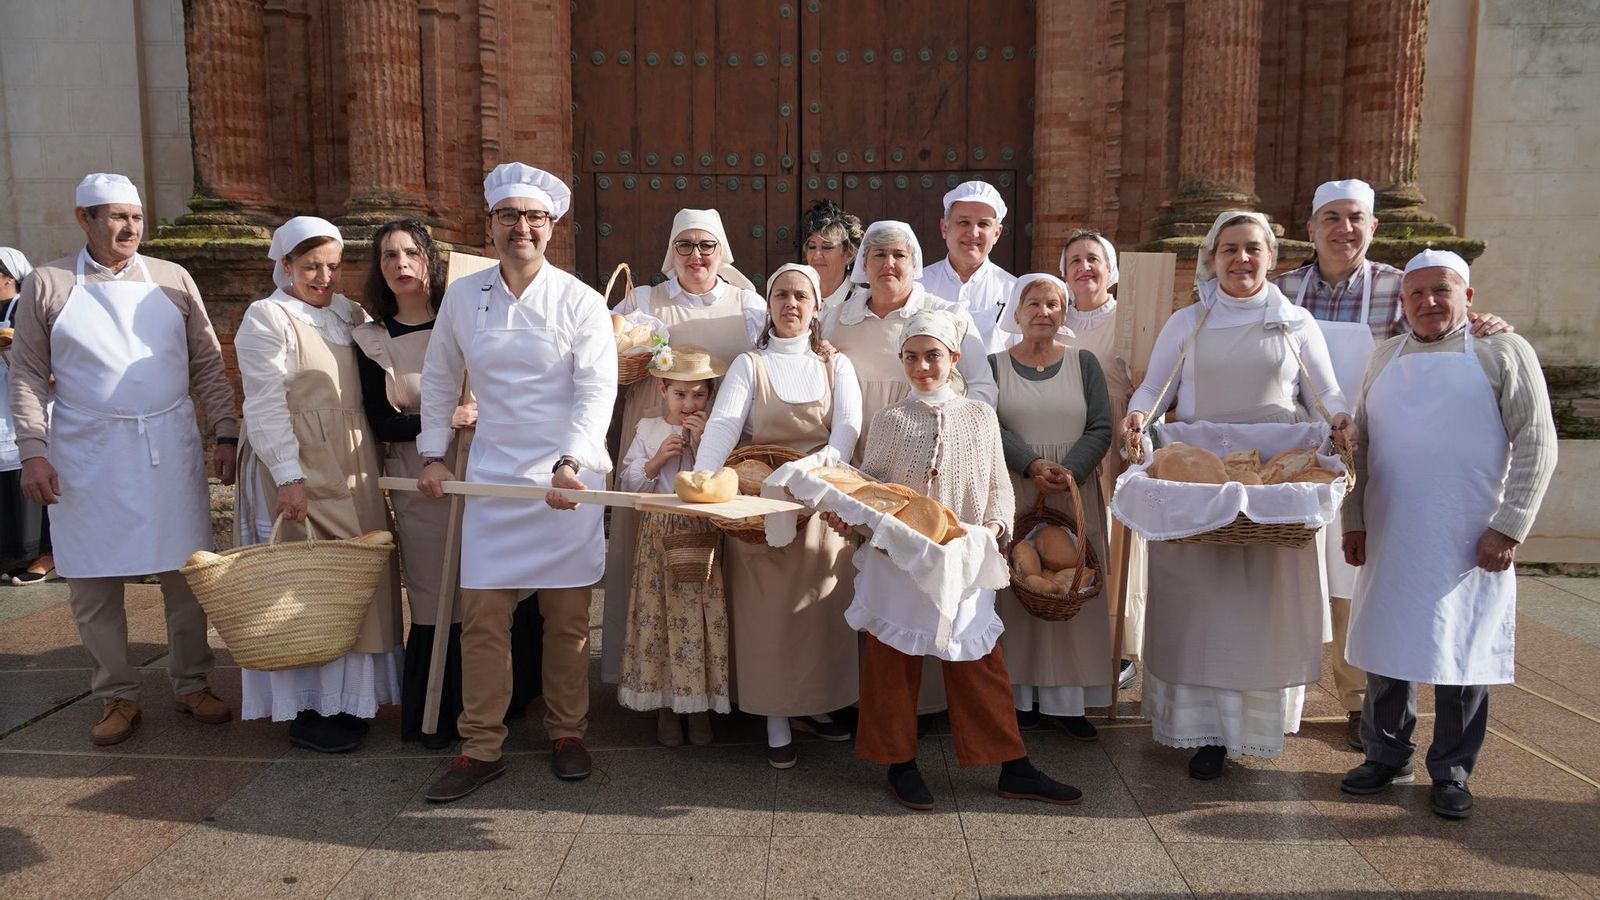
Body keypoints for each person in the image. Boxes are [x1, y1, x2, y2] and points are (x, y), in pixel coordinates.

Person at [1272, 180, 1512, 751]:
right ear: (1311, 228)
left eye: (1355, 217)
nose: (1343, 228)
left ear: (1373, 226)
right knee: (1291, 571)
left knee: (1359, 581)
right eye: (1330, 217)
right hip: (1297, 451)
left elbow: (1445, 335)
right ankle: (1282, 694)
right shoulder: (1282, 290)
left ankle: (1358, 702)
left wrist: (1489, 325)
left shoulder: (1399, 286)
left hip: (1377, 453)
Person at [1121, 210, 1353, 779]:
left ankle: (1256, 724)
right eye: (1229, 249)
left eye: (1253, 248)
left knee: (1255, 613)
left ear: (1271, 257)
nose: (1241, 259)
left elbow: (1325, 390)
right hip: (1199, 486)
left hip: (1272, 485)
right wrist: (1136, 416)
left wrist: (1342, 421)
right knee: (1202, 610)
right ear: (1212, 257)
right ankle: (1202, 732)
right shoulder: (1189, 321)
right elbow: (1156, 386)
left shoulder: (1295, 323)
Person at [8, 173, 236, 746]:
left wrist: (226, 432)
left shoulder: (173, 278)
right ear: (84, 219)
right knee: (91, 578)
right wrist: (34, 451)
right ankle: (116, 694)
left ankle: (191, 682)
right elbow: (29, 373)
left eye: (135, 217)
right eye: (114, 216)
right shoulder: (48, 283)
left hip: (168, 445)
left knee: (185, 574)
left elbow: (207, 361)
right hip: (86, 449)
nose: (129, 227)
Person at [418, 162, 617, 801]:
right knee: (482, 617)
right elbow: (442, 376)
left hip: (565, 479)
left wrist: (574, 461)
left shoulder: (581, 300)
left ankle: (567, 731)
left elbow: (595, 390)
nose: (521, 228)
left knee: (567, 619)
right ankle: (481, 745)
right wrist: (433, 454)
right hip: (495, 478)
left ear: (551, 227)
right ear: (493, 225)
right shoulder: (464, 296)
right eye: (509, 217)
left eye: (533, 217)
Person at [829, 308, 1081, 809]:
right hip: (899, 558)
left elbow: (997, 488)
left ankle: (1014, 766)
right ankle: (899, 764)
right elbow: (872, 488)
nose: (923, 367)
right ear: (901, 360)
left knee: (977, 661)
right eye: (912, 357)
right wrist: (849, 514)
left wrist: (992, 529)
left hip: (963, 556)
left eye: (933, 356)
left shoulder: (980, 416)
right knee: (892, 661)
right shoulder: (890, 421)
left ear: (955, 358)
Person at [1339, 250, 1556, 820]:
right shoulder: (1384, 356)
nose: (1429, 303)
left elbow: (1538, 442)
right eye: (1417, 294)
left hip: (1467, 532)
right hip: (1390, 527)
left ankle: (1453, 770)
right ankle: (1386, 754)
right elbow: (1361, 445)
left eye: (1442, 291)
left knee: (1461, 649)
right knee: (1389, 643)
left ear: (1468, 296)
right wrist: (1354, 519)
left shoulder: (1504, 352)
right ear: (1403, 301)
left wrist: (1508, 527)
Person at [233, 216, 403, 752]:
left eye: (332, 266)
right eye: (311, 267)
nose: (324, 277)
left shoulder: (350, 313)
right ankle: (309, 704)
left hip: (354, 461)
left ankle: (352, 702)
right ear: (285, 265)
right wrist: (288, 476)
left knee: (356, 577)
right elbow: (263, 403)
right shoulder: (268, 317)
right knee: (306, 579)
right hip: (300, 458)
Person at [694, 263, 863, 768]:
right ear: (769, 305)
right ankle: (775, 717)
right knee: (767, 618)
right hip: (759, 509)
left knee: (816, 615)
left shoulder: (838, 366)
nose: (791, 304)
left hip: (819, 504)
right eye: (782, 295)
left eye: (801, 296)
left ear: (816, 308)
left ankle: (815, 703)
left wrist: (804, 473)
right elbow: (724, 426)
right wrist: (703, 482)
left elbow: (847, 434)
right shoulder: (750, 364)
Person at [600, 208, 764, 689]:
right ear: (672, 251)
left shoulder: (747, 304)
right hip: (655, 429)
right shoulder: (643, 301)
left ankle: (722, 677)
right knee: (647, 551)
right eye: (685, 245)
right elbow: (606, 356)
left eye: (706, 245)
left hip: (725, 433)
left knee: (725, 556)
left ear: (722, 251)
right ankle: (653, 674)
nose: (696, 255)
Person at [352, 220, 485, 749]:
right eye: (388, 256)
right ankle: (433, 714)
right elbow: (382, 422)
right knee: (434, 599)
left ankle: (496, 706)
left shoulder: (467, 324)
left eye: (410, 252)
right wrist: (449, 419)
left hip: (481, 471)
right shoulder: (372, 340)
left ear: (429, 261)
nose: (400, 263)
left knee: (489, 596)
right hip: (419, 481)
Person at [990, 274, 1115, 740]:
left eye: (1054, 305)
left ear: (1065, 314)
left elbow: (1102, 426)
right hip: (1019, 486)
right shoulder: (993, 364)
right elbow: (989, 423)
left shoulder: (1084, 363)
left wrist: (1070, 471)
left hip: (1074, 492)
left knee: (1072, 584)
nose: (1044, 312)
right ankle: (1020, 699)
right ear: (1017, 313)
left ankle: (1068, 704)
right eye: (1034, 304)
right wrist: (1031, 462)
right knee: (1022, 585)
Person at [615, 345, 729, 747]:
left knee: (698, 618)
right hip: (659, 534)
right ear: (663, 390)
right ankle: (666, 707)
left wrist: (702, 446)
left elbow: (723, 481)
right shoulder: (648, 429)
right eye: (680, 394)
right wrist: (656, 461)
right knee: (660, 617)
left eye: (699, 394)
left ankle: (698, 706)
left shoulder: (714, 430)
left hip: (700, 531)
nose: (689, 403)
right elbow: (629, 484)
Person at [822, 220, 997, 461]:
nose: (889, 264)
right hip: (850, 459)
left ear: (914, 263)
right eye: (879, 254)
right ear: (864, 263)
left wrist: (948, 436)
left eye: (899, 255)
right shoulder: (836, 318)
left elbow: (982, 388)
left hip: (926, 457)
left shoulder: (947, 315)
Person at [1057, 231, 1144, 689]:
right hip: (1064, 434)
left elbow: (1149, 381)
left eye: (1093, 259)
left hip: (1111, 432)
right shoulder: (1055, 314)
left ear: (1110, 270)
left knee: (1115, 538)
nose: (1084, 268)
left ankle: (1119, 642)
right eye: (1074, 260)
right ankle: (1069, 626)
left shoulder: (1128, 319)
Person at [1, 247, 55, 585]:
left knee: (30, 473)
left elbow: (48, 358)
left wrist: (12, 347)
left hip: (24, 407)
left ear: (9, 275)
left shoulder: (27, 308)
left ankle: (46, 555)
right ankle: (12, 555)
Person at [917, 181, 1018, 354]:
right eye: (963, 222)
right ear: (944, 228)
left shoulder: (1014, 290)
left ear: (997, 233)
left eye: (984, 224)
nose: (973, 233)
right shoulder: (918, 284)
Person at [799, 199, 865, 312]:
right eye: (812, 247)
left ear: (849, 254)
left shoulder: (864, 303)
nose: (817, 255)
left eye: (827, 247)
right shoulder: (797, 300)